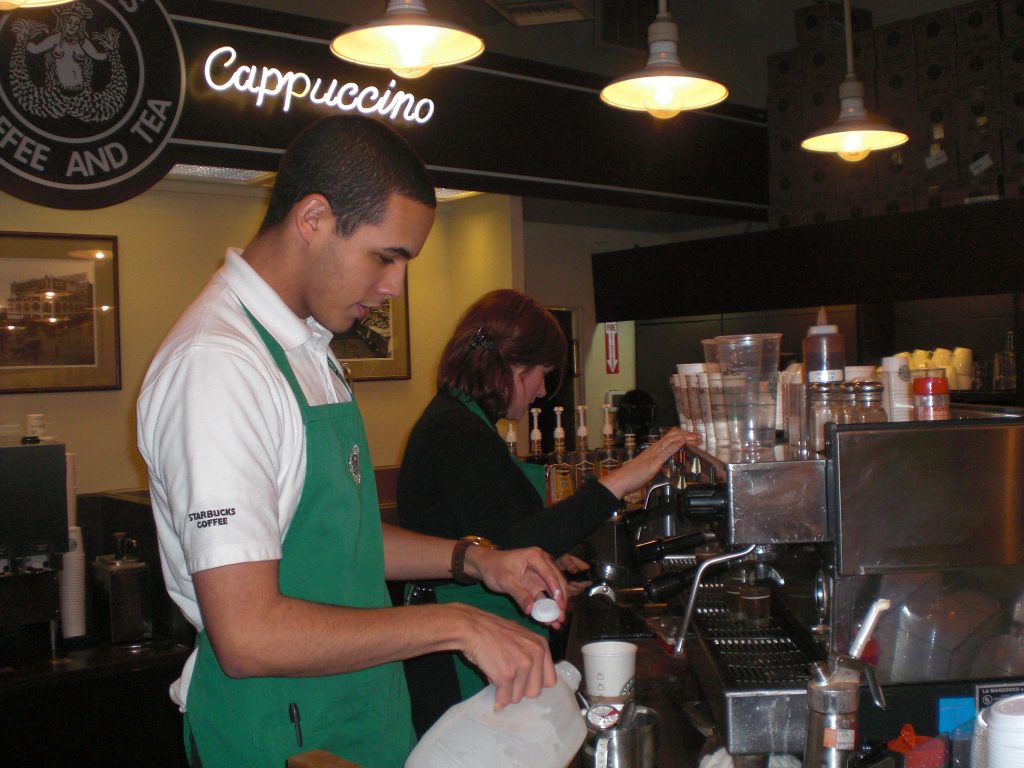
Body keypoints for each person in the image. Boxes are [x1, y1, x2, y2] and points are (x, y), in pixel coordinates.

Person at [136, 117, 570, 768]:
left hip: (357, 712)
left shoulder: (307, 347)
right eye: (384, 256)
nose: (394, 285)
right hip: (282, 734)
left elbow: (343, 542)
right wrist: (457, 622)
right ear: (313, 218)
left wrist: (475, 561)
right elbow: (248, 633)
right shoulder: (219, 367)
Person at [397, 289, 696, 734]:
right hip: (460, 651)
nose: (540, 390)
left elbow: (494, 531)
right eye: (541, 375)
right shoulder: (455, 432)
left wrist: (547, 567)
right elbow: (511, 544)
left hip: (478, 630)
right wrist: (621, 480)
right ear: (510, 366)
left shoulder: (465, 423)